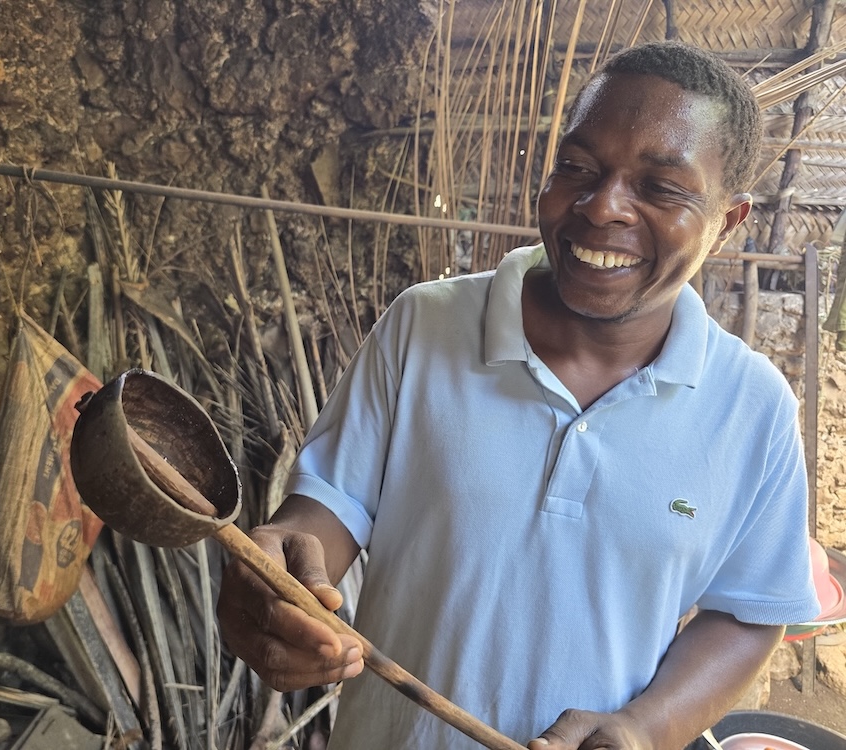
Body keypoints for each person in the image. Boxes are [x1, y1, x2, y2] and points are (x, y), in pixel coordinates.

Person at [217, 40, 821, 750]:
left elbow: (748, 613)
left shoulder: (753, 408)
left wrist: (645, 727)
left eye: (660, 188)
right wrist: (280, 585)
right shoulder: (425, 327)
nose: (602, 208)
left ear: (728, 222)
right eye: (578, 168)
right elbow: (326, 510)